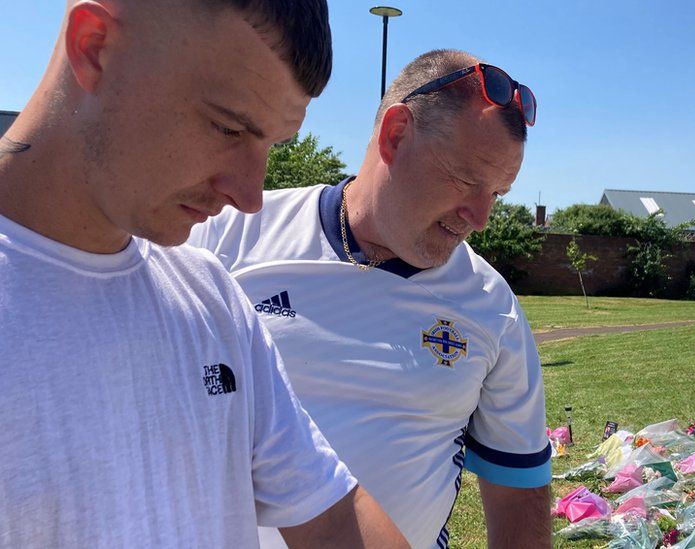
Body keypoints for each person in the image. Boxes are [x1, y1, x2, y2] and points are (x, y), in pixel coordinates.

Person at [0, 1, 407, 547]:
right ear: (95, 46)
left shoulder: (211, 296)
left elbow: (332, 517)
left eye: (269, 145)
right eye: (227, 127)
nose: (250, 196)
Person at [189, 49, 551, 548]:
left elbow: (519, 489)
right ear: (395, 134)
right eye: (467, 181)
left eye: (497, 193)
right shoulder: (228, 237)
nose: (480, 218)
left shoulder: (493, 306)